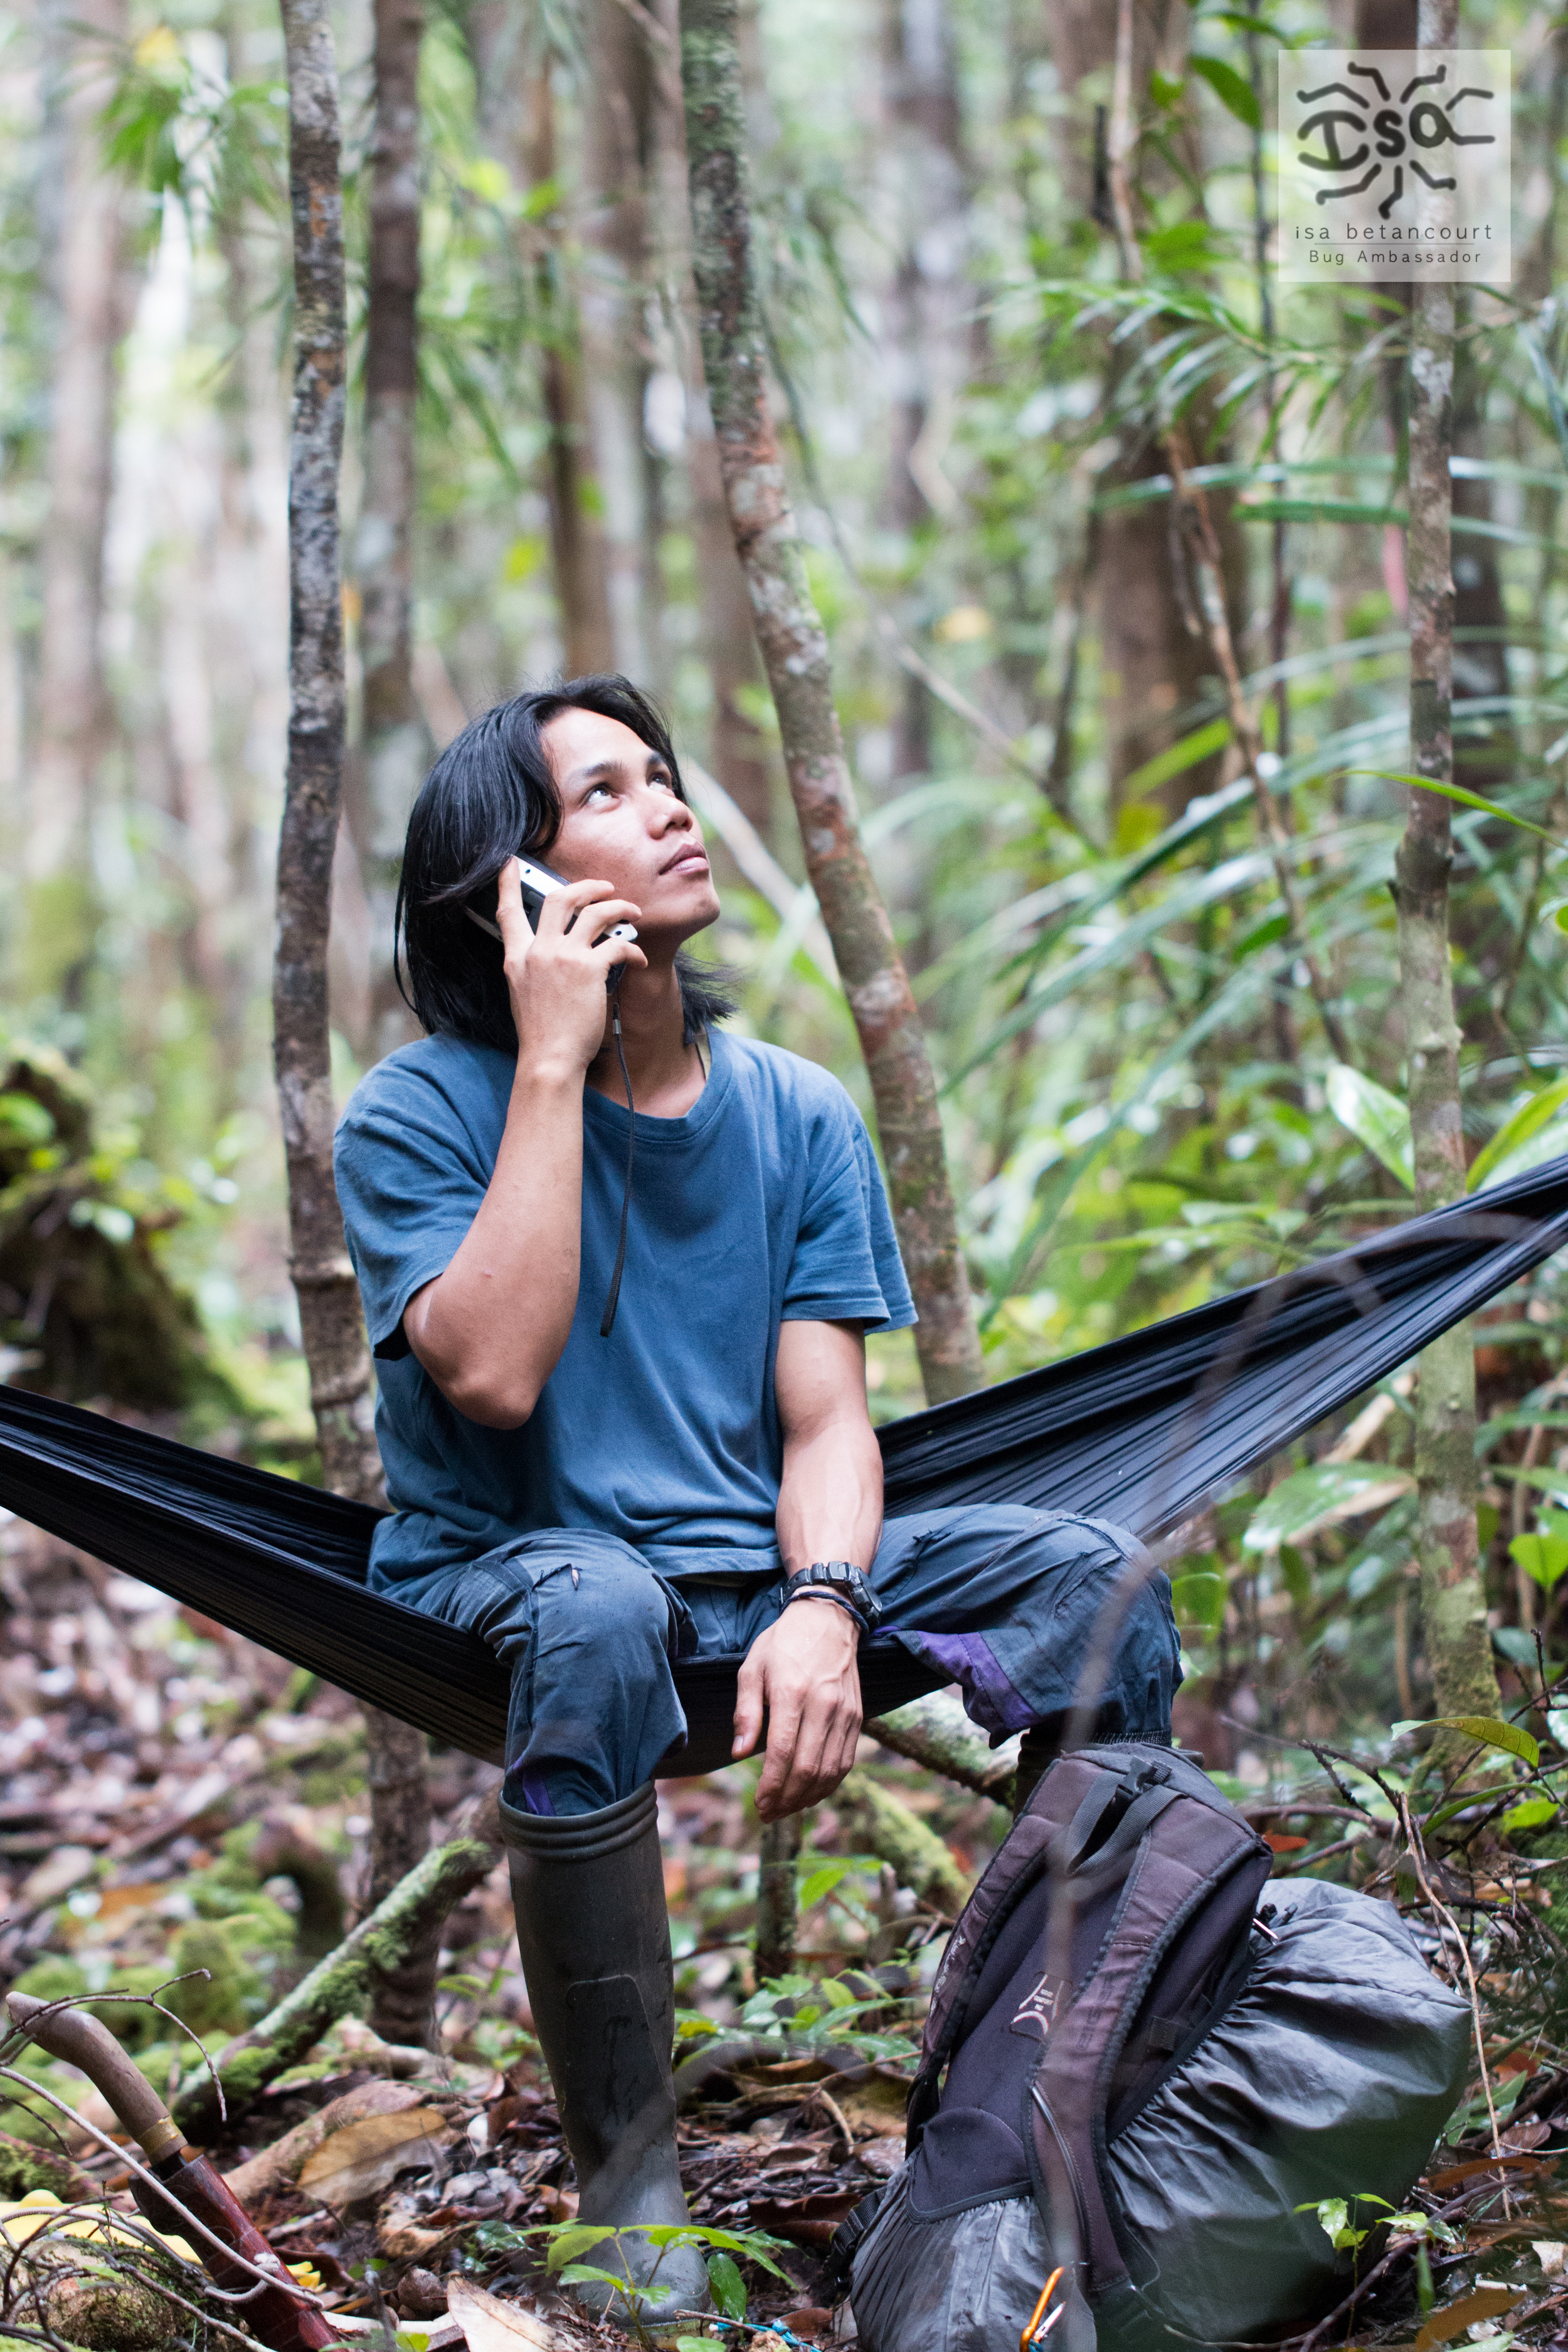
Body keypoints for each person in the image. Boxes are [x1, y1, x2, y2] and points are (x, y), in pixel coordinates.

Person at [334, 676, 1180, 2319]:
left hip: (746, 1585)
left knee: (1094, 1579)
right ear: (508, 882)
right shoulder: (416, 1115)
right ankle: (631, 2196)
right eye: (606, 790)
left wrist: (820, 1605)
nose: (670, 806)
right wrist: (554, 1067)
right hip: (504, 1577)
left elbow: (824, 1426)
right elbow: (494, 1376)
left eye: (664, 775)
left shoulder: (792, 1110)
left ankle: (1061, 2113)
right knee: (596, 1601)